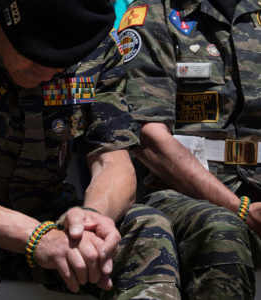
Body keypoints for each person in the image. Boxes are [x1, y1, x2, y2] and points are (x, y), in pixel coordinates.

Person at [0, 0, 181, 299]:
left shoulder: (98, 51)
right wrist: (35, 236)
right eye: (34, 58)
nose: (46, 75)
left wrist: (91, 219)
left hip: (50, 221)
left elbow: (112, 159)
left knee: (147, 229)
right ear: (3, 16)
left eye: (62, 65)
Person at [119, 0, 261, 299]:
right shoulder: (153, 13)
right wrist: (241, 210)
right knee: (221, 230)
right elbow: (149, 137)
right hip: (182, 192)